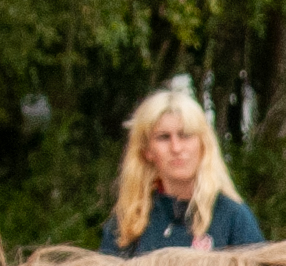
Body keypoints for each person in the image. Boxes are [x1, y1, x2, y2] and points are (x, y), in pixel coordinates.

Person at [102, 88, 262, 257]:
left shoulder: (233, 217)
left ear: (203, 144)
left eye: (185, 135)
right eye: (163, 137)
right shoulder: (127, 223)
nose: (176, 148)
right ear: (147, 151)